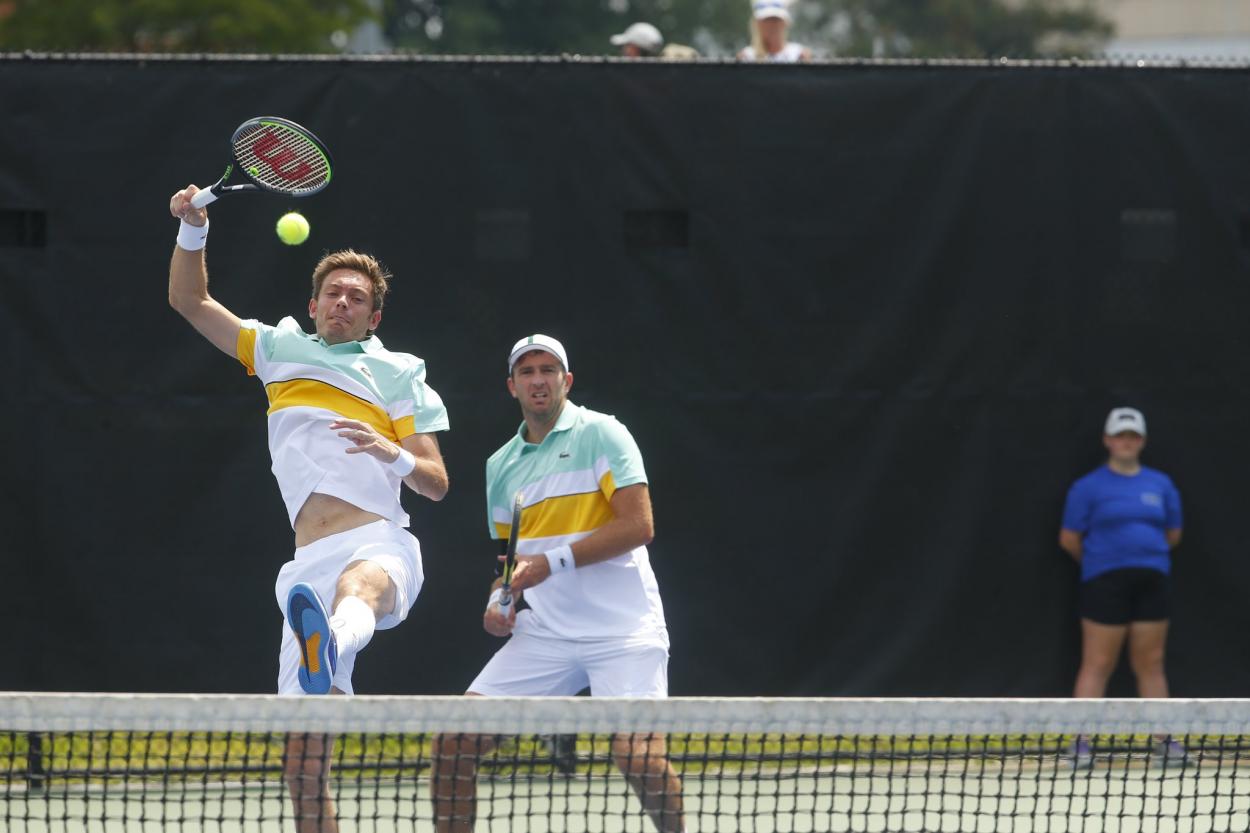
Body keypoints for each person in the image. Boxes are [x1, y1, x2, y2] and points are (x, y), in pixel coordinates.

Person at [167, 186, 450, 832]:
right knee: (302, 766)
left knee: (360, 586)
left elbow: (435, 482)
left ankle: (331, 640)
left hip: (380, 541)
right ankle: (321, 646)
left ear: (373, 316)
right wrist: (193, 228)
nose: (343, 302)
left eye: (357, 297)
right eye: (334, 294)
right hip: (305, 568)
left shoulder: (400, 373)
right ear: (313, 305)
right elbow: (190, 300)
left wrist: (392, 452)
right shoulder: (277, 349)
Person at [432, 335, 683, 833]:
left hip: (624, 634)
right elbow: (511, 562)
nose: (538, 380)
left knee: (637, 757)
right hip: (545, 636)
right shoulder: (500, 467)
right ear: (512, 387)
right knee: (453, 742)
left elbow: (639, 526)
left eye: (548, 370)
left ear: (566, 381)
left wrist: (552, 562)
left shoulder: (604, 434)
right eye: (527, 372)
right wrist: (498, 600)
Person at [1059, 407, 1184, 768]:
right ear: (1107, 440)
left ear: (1141, 441)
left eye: (1133, 436)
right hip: (1104, 583)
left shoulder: (1161, 485)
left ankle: (1164, 742)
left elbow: (1173, 534)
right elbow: (1069, 538)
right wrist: (1103, 562)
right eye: (1119, 435)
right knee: (1098, 662)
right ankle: (1081, 744)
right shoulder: (1087, 487)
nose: (1126, 442)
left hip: (1152, 581)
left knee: (1151, 662)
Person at [737, 0, 811, 63]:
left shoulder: (799, 55)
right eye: (767, 20)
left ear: (785, 23)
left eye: (776, 20)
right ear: (757, 24)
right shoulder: (746, 57)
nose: (772, 25)